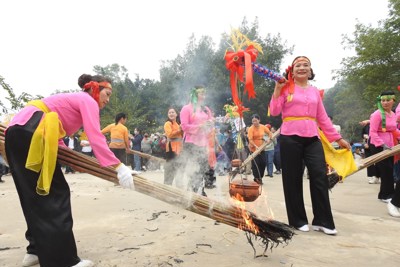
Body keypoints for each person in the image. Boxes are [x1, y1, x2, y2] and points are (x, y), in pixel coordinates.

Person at [4, 74, 134, 267]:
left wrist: (78, 162)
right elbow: (95, 136)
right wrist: (120, 167)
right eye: (107, 93)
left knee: (33, 196)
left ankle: (35, 250)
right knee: (56, 194)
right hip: (33, 131)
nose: (108, 99)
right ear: (95, 89)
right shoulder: (86, 100)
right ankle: (64, 262)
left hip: (16, 132)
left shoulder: (68, 101)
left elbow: (58, 142)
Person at [269, 56, 351, 235]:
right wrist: (277, 89)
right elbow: (274, 111)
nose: (302, 68)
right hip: (290, 137)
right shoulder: (285, 88)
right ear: (292, 70)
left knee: (319, 175)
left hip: (313, 137)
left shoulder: (314, 92)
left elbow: (322, 117)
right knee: (292, 178)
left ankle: (323, 220)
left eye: (306, 65)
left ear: (310, 70)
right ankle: (298, 220)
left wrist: (337, 139)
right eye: (298, 65)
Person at [180, 85, 214, 196]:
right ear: (195, 94)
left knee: (203, 167)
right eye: (201, 93)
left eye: (205, 94)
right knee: (193, 167)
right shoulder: (186, 108)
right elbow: (184, 126)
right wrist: (200, 126)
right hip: (190, 142)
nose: (204, 96)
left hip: (203, 142)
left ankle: (200, 189)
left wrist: (209, 124)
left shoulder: (206, 109)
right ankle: (193, 190)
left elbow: (210, 123)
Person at [369, 91, 399, 204]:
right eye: (383, 100)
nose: (385, 103)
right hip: (378, 145)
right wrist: (382, 144)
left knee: (390, 170)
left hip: (390, 145)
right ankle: (385, 195)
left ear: (393, 100)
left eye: (388, 100)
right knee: (386, 170)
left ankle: (389, 193)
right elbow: (372, 131)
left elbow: (394, 129)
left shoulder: (393, 113)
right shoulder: (377, 114)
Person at [247, 114, 272, 184]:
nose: (254, 122)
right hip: (253, 149)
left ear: (259, 120)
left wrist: (269, 139)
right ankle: (257, 178)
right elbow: (250, 139)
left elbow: (270, 133)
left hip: (262, 148)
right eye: (253, 121)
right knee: (256, 164)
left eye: (256, 121)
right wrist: (255, 146)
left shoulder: (263, 127)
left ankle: (260, 177)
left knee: (263, 163)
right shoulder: (251, 129)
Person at [163, 107, 183, 187]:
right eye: (169, 113)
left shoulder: (178, 124)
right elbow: (170, 134)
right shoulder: (167, 123)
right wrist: (180, 130)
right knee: (169, 169)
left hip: (179, 149)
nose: (171, 114)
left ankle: (178, 188)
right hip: (171, 149)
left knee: (179, 169)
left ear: (176, 114)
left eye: (173, 112)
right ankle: (167, 187)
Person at [359, 120, 381, 184]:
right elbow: (362, 135)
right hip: (367, 145)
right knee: (369, 161)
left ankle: (378, 176)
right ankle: (372, 176)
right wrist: (364, 138)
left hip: (375, 145)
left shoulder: (378, 125)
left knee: (377, 161)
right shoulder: (366, 126)